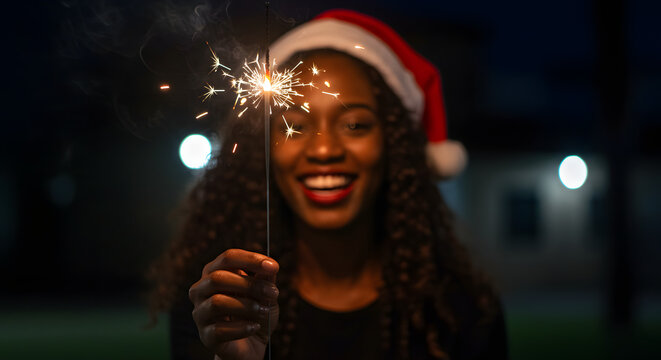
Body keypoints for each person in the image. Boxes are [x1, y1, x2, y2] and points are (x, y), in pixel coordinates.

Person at [149, 9, 508, 360]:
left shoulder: (464, 310)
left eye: (354, 125)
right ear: (263, 151)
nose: (323, 149)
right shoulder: (222, 301)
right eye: (296, 126)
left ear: (394, 146)